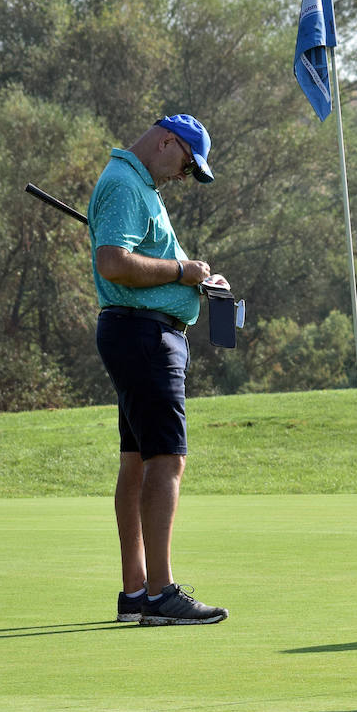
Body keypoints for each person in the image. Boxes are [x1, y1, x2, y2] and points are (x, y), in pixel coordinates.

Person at [90, 114, 230, 626]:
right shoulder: (127, 184)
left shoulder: (138, 183)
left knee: (138, 459)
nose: (184, 176)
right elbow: (112, 262)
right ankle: (160, 592)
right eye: (188, 165)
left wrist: (196, 278)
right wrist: (180, 272)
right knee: (167, 460)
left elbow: (137, 256)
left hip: (140, 332)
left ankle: (135, 592)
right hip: (145, 335)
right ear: (167, 142)